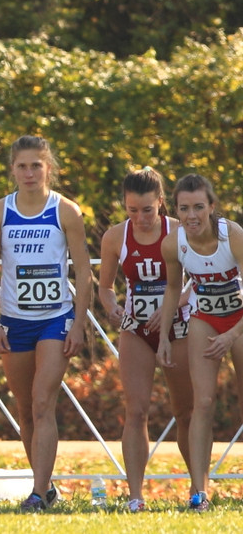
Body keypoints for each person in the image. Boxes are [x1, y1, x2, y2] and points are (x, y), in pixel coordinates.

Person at [0, 135, 93, 512]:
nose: (29, 173)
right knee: (26, 409)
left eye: (36, 165)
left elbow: (84, 272)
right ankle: (43, 488)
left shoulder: (66, 211)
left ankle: (37, 493)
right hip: (15, 320)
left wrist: (77, 323)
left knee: (44, 401)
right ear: (12, 169)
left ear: (49, 168)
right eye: (22, 166)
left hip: (54, 319)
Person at [99, 168, 192, 513]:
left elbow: (197, 279)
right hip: (136, 328)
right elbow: (105, 287)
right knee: (135, 411)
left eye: (147, 210)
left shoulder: (179, 232)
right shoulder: (114, 237)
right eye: (132, 210)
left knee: (186, 412)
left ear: (161, 204)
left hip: (179, 327)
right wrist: (113, 308)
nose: (140, 218)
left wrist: (173, 305)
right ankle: (135, 496)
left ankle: (198, 490)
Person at [157, 173, 243, 512]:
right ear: (176, 210)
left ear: (211, 207)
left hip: (239, 321)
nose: (191, 216)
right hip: (205, 319)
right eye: (184, 209)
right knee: (201, 403)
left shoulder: (232, 235)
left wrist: (232, 334)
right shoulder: (173, 243)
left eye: (198, 208)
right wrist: (163, 336)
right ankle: (199, 493)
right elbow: (173, 290)